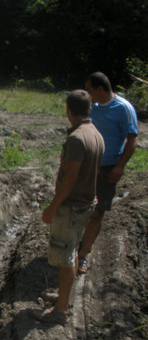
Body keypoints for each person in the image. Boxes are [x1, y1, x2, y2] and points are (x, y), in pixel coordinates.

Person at [34, 90, 104, 324]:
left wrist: (53, 207)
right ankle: (64, 297)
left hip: (71, 207)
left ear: (68, 110)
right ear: (89, 109)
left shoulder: (76, 139)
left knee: (65, 257)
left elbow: (70, 178)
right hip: (85, 204)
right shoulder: (95, 134)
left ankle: (60, 310)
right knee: (72, 252)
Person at [76, 72, 139, 274]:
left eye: (90, 89)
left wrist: (120, 166)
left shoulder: (123, 108)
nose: (87, 93)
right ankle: (73, 247)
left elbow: (132, 139)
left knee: (97, 212)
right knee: (79, 208)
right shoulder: (91, 107)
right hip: (86, 166)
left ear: (101, 89)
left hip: (107, 167)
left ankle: (83, 254)